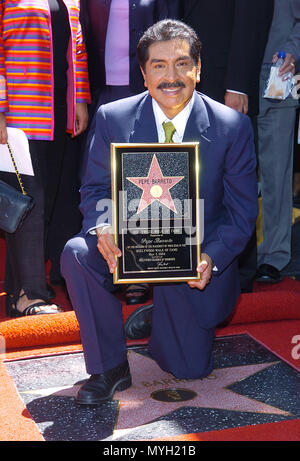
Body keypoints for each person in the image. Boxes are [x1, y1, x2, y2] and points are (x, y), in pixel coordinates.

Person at [61, 19, 258, 405]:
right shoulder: (112, 117)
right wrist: (102, 226)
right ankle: (108, 366)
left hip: (193, 260)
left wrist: (211, 260)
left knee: (187, 368)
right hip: (129, 249)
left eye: (183, 64)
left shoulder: (232, 126)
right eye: (159, 66)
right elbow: (95, 189)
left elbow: (241, 213)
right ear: (143, 73)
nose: (172, 77)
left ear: (199, 69)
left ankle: (160, 312)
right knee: (78, 252)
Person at [79, 0, 180, 305]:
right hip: (101, 94)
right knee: (101, 179)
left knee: (144, 182)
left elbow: (171, 38)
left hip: (145, 95)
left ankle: (140, 272)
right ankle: (109, 263)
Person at [0, 0, 90, 316]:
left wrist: (80, 99)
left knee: (39, 204)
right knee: (29, 204)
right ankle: (30, 295)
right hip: (18, 117)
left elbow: (77, 49)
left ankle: (18, 288)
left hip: (56, 115)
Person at [181, 0, 274, 294]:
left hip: (225, 85)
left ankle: (241, 272)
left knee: (234, 182)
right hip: (184, 81)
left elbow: (252, 19)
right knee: (197, 177)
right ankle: (189, 259)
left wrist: (238, 84)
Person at [255, 0, 300, 284]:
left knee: (277, 172)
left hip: (279, 76)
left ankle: (274, 255)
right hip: (231, 78)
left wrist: (294, 51)